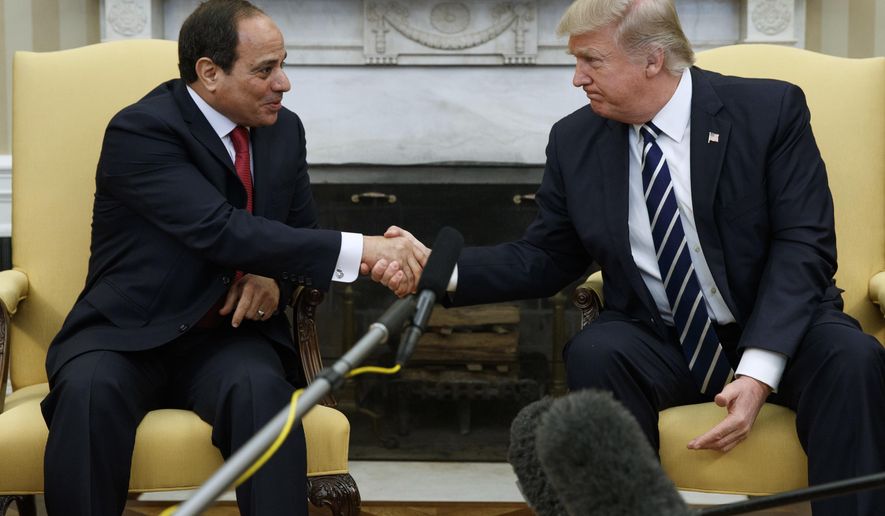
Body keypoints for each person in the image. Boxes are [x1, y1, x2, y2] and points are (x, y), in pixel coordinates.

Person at [377, 0, 885, 513]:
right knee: (596, 351)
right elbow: (546, 256)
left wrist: (757, 371)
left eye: (591, 61)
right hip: (663, 337)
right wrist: (437, 268)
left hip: (782, 327)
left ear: (653, 59)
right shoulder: (575, 140)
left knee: (853, 360)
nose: (577, 78)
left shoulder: (769, 111)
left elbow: (804, 245)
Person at [39, 1, 425, 515]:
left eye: (283, 64)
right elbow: (216, 229)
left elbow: (299, 240)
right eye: (265, 70)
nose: (284, 83)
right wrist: (367, 248)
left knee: (261, 392)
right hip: (126, 333)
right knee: (89, 395)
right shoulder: (142, 131)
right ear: (209, 73)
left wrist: (275, 282)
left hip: (227, 337)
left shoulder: (283, 131)